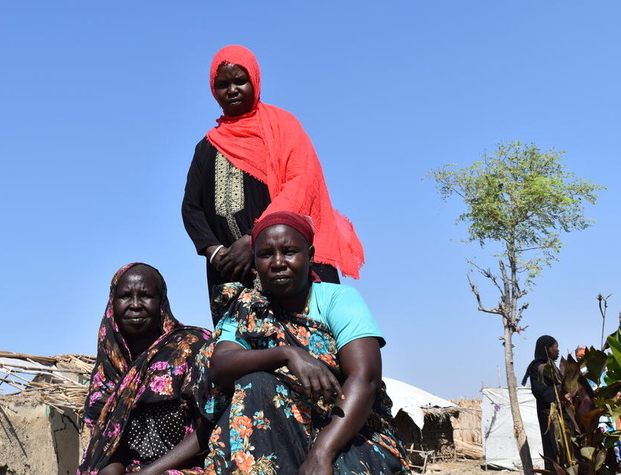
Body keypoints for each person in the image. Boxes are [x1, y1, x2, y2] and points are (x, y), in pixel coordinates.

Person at [193, 211, 409, 475]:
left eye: (289, 251)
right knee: (257, 384)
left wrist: (322, 453)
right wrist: (286, 354)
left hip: (347, 432)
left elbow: (366, 378)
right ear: (254, 262)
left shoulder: (338, 299)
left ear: (311, 255)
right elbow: (221, 365)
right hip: (276, 434)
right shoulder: (246, 308)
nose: (278, 263)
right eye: (266, 254)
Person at [182, 45, 364, 324]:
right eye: (222, 85)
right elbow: (192, 208)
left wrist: (255, 239)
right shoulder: (206, 148)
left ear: (255, 80)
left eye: (239, 81)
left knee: (310, 345)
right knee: (240, 351)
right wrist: (216, 253)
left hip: (284, 262)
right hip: (230, 272)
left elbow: (300, 184)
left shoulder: (282, 126)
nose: (231, 90)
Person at [79, 263, 211, 475]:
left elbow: (206, 430)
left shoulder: (191, 347)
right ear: (112, 303)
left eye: (145, 295)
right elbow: (111, 448)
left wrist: (148, 473)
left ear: (161, 302)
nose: (135, 305)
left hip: (189, 468)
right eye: (125, 296)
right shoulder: (109, 368)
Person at [521, 335, 562, 467]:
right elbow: (542, 393)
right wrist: (561, 394)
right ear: (548, 349)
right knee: (552, 448)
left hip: (562, 415)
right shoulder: (538, 367)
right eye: (556, 347)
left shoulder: (553, 367)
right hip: (549, 416)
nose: (558, 350)